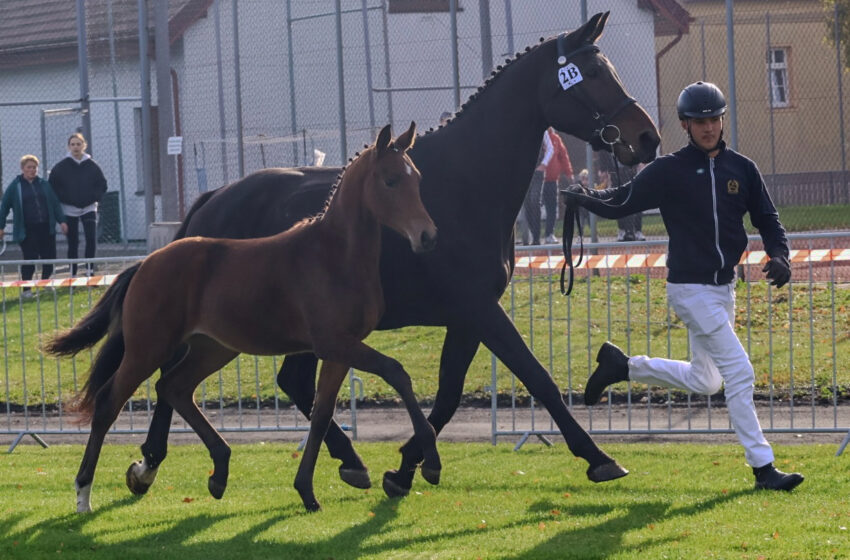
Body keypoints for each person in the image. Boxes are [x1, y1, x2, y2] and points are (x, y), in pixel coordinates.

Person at [562, 81, 803, 492]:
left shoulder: (742, 169)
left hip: (722, 290)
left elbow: (768, 218)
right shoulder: (668, 170)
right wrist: (584, 198)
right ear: (685, 125)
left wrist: (780, 256)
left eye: (714, 119)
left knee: (706, 381)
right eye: (699, 121)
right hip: (689, 291)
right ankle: (763, 468)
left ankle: (623, 367)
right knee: (740, 373)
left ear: (722, 120)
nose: (708, 127)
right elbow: (622, 201)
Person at [0, 155, 68, 297]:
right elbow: (4, 207)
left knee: (49, 257)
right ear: (23, 169)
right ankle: (27, 289)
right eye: (29, 167)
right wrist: (1, 226)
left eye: (34, 167)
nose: (32, 170)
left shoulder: (44, 184)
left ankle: (46, 282)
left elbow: (55, 203)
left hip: (45, 227)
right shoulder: (15, 186)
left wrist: (62, 221)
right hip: (27, 230)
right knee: (30, 257)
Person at [49, 133, 107, 276]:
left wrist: (94, 198)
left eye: (78, 144)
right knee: (73, 241)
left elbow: (102, 184)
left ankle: (89, 270)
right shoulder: (61, 167)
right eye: (73, 144)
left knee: (91, 239)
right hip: (69, 209)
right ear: (69, 147)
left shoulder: (92, 166)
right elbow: (53, 186)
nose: (76, 147)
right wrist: (65, 199)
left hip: (89, 207)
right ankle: (73, 272)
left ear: (84, 145)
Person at [540, 127, 573, 244]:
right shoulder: (539, 135)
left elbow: (564, 157)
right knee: (534, 207)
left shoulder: (555, 138)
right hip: (539, 180)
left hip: (552, 180)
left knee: (552, 208)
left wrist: (569, 173)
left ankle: (549, 234)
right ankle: (534, 236)